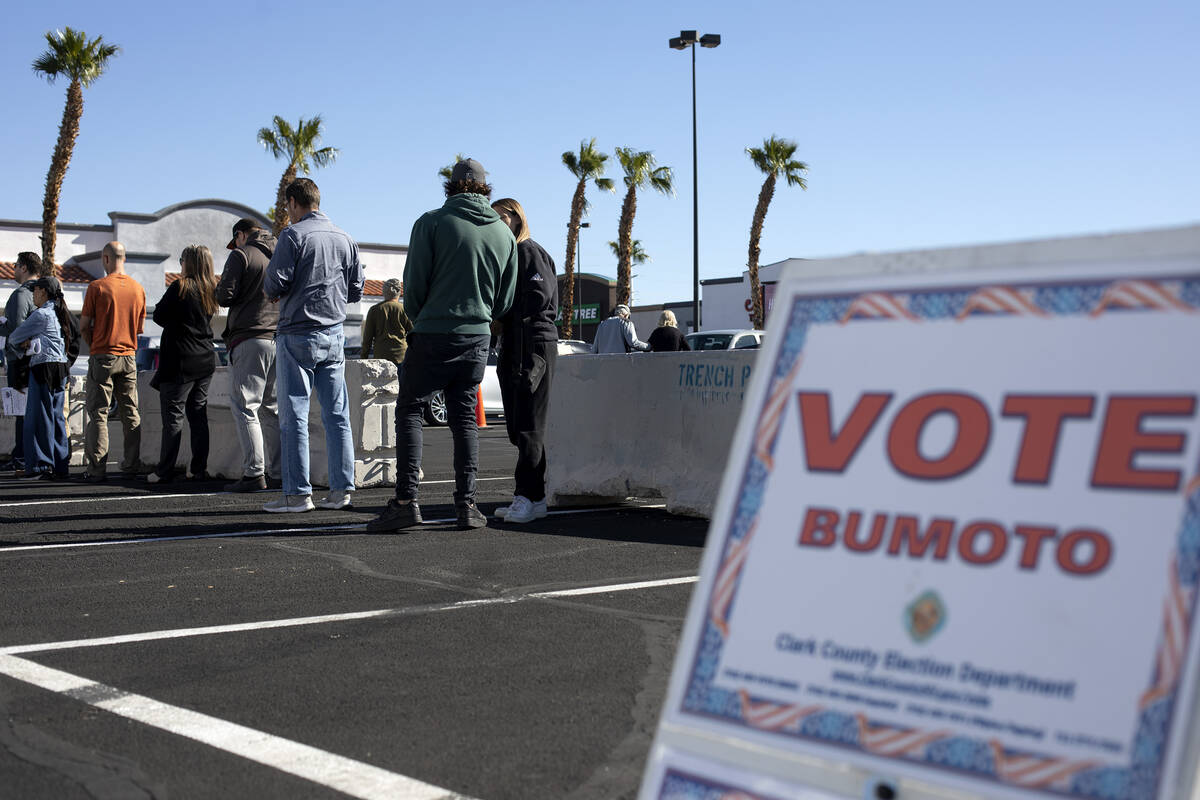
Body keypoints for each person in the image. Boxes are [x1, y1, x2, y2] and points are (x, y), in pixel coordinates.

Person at [367, 158, 516, 533]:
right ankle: (467, 505)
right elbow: (505, 299)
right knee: (464, 417)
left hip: (433, 330)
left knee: (412, 410)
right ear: (485, 188)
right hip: (477, 334)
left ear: (450, 186)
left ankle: (405, 502)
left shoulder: (431, 222)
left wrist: (423, 317)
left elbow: (413, 286)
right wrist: (480, 315)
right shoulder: (502, 233)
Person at [263, 178, 364, 513]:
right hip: (334, 334)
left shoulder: (292, 236)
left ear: (293, 202)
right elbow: (356, 290)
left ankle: (297, 494)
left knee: (295, 416)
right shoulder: (345, 237)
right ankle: (341, 491)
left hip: (297, 333)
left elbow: (274, 283)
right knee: (337, 416)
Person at [489, 198, 558, 524]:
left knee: (530, 424)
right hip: (515, 342)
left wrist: (505, 317)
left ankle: (526, 498)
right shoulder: (509, 255)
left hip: (533, 344)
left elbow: (537, 298)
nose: (494, 223)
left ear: (516, 219)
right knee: (518, 426)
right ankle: (534, 497)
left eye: (499, 217)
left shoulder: (529, 252)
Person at [216, 217, 282, 492]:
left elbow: (224, 296)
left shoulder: (241, 255)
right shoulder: (280, 253)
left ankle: (254, 472)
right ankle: (279, 471)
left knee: (246, 406)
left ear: (241, 235)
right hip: (277, 338)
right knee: (272, 409)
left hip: (248, 337)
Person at [147, 245, 218, 484]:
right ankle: (198, 469)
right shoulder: (211, 289)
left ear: (189, 263)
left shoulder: (180, 286)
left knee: (173, 418)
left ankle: (164, 470)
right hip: (205, 359)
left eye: (182, 260)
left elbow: (159, 316)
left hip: (180, 361)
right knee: (198, 416)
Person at [81, 241, 150, 482]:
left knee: (98, 412)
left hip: (103, 354)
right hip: (129, 355)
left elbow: (84, 325)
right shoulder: (138, 288)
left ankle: (97, 468)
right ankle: (131, 463)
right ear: (124, 258)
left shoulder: (97, 287)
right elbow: (139, 328)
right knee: (130, 412)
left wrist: (95, 346)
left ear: (105, 259)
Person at [8, 275, 70, 480]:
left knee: (38, 418)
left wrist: (27, 342)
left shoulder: (41, 314)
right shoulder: (60, 312)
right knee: (58, 417)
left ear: (43, 292)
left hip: (43, 367)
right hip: (60, 367)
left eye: (35, 290)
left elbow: (14, 337)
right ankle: (61, 465)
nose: (33, 294)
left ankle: (41, 466)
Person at [0, 252, 47, 473]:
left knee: (20, 410)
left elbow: (18, 332)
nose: (14, 269)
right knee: (33, 410)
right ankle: (31, 455)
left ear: (25, 268)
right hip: (38, 360)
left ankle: (20, 456)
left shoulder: (21, 295)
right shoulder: (43, 292)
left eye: (17, 265)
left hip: (20, 361)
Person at [360, 278, 413, 365]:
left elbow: (367, 338)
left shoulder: (374, 310)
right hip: (401, 355)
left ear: (384, 291)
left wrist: (363, 357)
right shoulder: (404, 309)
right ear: (399, 292)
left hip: (381, 356)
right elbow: (413, 333)